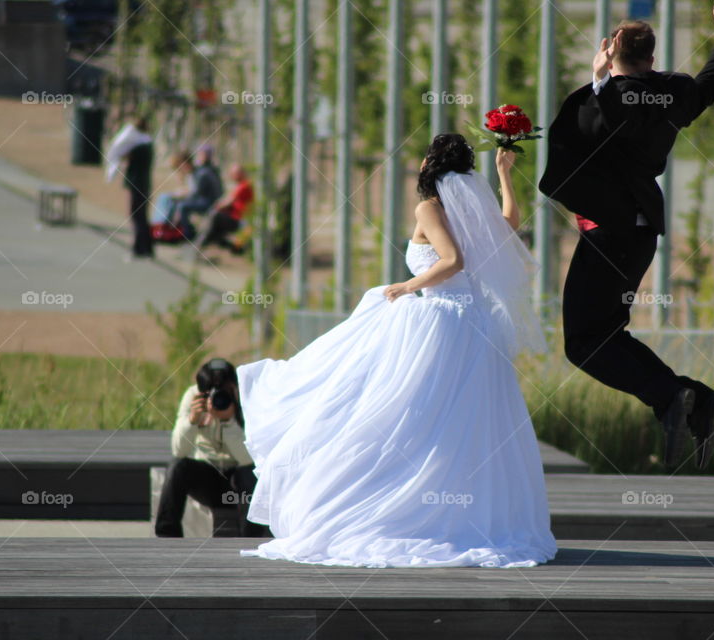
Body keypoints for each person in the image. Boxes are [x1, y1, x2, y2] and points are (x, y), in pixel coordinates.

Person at [236, 134, 556, 568]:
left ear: (429, 165)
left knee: (404, 415)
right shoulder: (468, 209)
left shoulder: (429, 208)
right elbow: (509, 225)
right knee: (460, 423)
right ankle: (456, 513)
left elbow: (452, 261)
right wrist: (505, 176)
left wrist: (407, 286)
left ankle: (396, 508)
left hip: (442, 320)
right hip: (475, 326)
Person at [538, 1, 714, 470]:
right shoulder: (672, 92)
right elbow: (708, 85)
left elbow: (603, 126)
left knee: (582, 343)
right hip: (641, 235)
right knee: (608, 331)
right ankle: (691, 397)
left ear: (610, 51)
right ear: (652, 58)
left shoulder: (599, 99)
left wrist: (599, 81)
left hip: (607, 234)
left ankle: (673, 395)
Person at [155, 358, 271, 538]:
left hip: (239, 485)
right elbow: (179, 451)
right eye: (211, 392)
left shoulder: (248, 399)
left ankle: (250, 540)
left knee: (248, 473)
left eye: (225, 391)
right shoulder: (193, 396)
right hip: (208, 479)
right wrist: (191, 421)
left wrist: (228, 421)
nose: (217, 397)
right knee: (177, 467)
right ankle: (167, 536)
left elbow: (248, 460)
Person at [106, 116, 154, 259]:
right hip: (143, 184)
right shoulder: (147, 144)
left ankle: (138, 249)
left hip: (138, 183)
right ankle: (147, 248)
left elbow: (122, 154)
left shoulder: (139, 147)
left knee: (137, 216)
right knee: (142, 216)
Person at [200, 163, 253, 252]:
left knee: (214, 215)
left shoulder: (244, 185)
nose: (233, 176)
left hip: (239, 220)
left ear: (241, 173)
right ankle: (205, 245)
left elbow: (227, 202)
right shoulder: (239, 185)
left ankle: (201, 245)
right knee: (213, 221)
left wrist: (217, 206)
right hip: (234, 217)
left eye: (235, 173)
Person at [175, 144, 224, 241]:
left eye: (203, 154)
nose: (201, 157)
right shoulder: (205, 169)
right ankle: (179, 229)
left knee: (182, 206)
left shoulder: (205, 171)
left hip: (208, 202)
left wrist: (182, 196)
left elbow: (197, 192)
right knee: (179, 203)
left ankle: (188, 234)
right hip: (206, 199)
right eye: (200, 154)